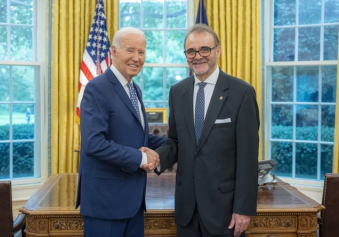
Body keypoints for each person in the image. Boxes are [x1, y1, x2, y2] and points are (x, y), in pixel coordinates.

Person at [155, 24, 260, 237]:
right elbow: (175, 142)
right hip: (187, 209)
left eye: (205, 49)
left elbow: (248, 157)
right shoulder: (177, 92)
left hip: (224, 210)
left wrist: (243, 208)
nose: (198, 56)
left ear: (217, 51)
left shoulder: (242, 93)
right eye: (191, 51)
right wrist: (155, 158)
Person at [76, 27, 166, 237]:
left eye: (141, 52)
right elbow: (94, 144)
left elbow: (138, 136)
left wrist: (174, 143)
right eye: (130, 50)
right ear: (113, 52)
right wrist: (142, 157)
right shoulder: (97, 88)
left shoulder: (134, 89)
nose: (137, 58)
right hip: (105, 204)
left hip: (133, 203)